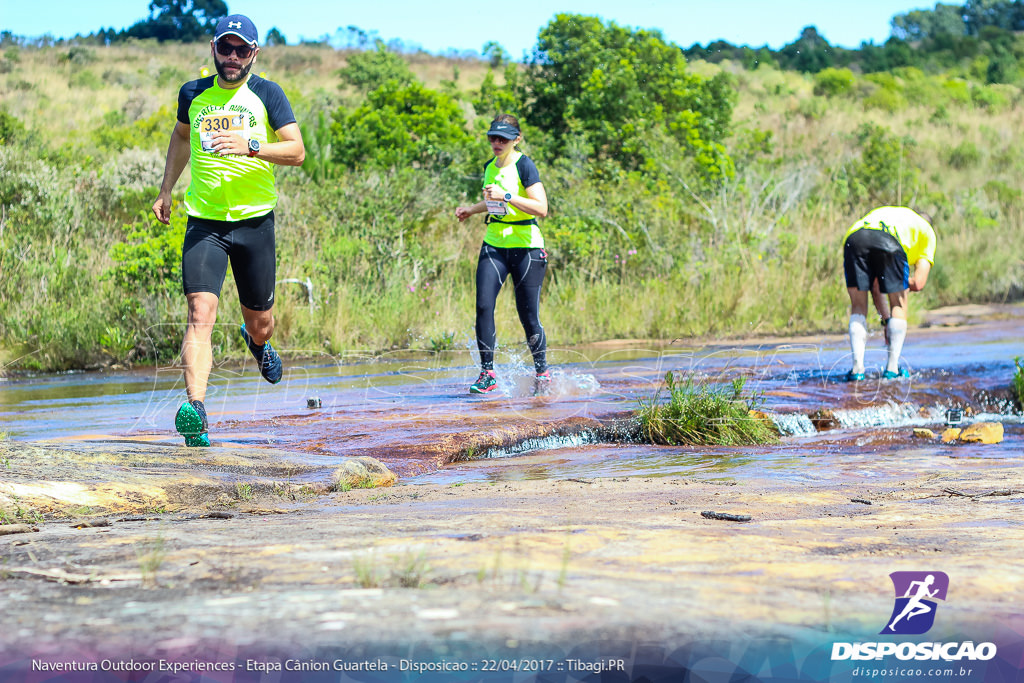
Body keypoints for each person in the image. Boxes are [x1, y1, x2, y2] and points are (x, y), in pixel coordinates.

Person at [152, 14, 305, 446]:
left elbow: (297, 151)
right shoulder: (194, 94)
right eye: (226, 48)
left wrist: (253, 146)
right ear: (213, 48)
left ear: (254, 53)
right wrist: (166, 189)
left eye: (242, 50)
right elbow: (181, 137)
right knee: (200, 313)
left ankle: (256, 344)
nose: (232, 58)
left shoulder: (267, 94)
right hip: (206, 223)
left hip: (255, 223)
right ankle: (196, 413)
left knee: (262, 323)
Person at [455, 114, 550, 395]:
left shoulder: (524, 165)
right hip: (494, 242)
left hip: (527, 246)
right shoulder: (489, 167)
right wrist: (471, 210)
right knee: (483, 306)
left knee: (528, 316)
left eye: (503, 139)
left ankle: (542, 374)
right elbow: (491, 201)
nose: (496, 143)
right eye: (492, 137)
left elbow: (541, 208)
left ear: (516, 140)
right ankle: (487, 373)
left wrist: (506, 195)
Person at [842, 206, 936, 382]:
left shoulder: (894, 214)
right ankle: (892, 370)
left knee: (858, 306)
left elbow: (876, 288)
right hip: (889, 241)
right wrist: (897, 283)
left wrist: (887, 321)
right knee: (899, 305)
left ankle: (857, 370)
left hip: (855, 238)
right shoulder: (927, 231)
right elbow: (918, 282)